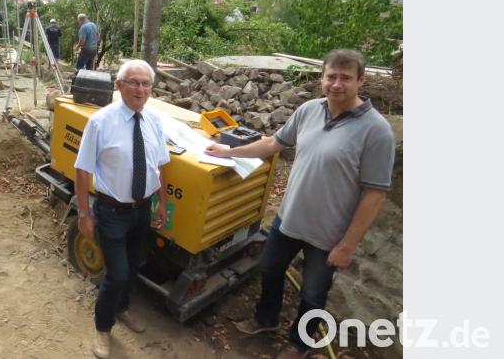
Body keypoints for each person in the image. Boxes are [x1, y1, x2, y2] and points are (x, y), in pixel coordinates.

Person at [205, 49, 395, 359]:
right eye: (331, 76)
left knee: (313, 292)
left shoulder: (377, 132)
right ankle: (265, 320)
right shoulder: (309, 110)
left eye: (345, 78)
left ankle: (300, 344)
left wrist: (347, 245)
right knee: (268, 268)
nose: (336, 84)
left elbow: (375, 194)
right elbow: (272, 144)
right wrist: (226, 152)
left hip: (329, 234)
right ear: (322, 78)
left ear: (361, 81)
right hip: (289, 219)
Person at [74, 59, 170, 359]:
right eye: (134, 82)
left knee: (132, 266)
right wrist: (83, 213)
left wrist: (161, 203)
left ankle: (123, 308)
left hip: (141, 210)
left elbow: (160, 165)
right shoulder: (101, 122)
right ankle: (103, 328)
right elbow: (82, 170)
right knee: (116, 275)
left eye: (146, 84)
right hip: (111, 212)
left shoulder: (154, 120)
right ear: (119, 85)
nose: (140, 89)